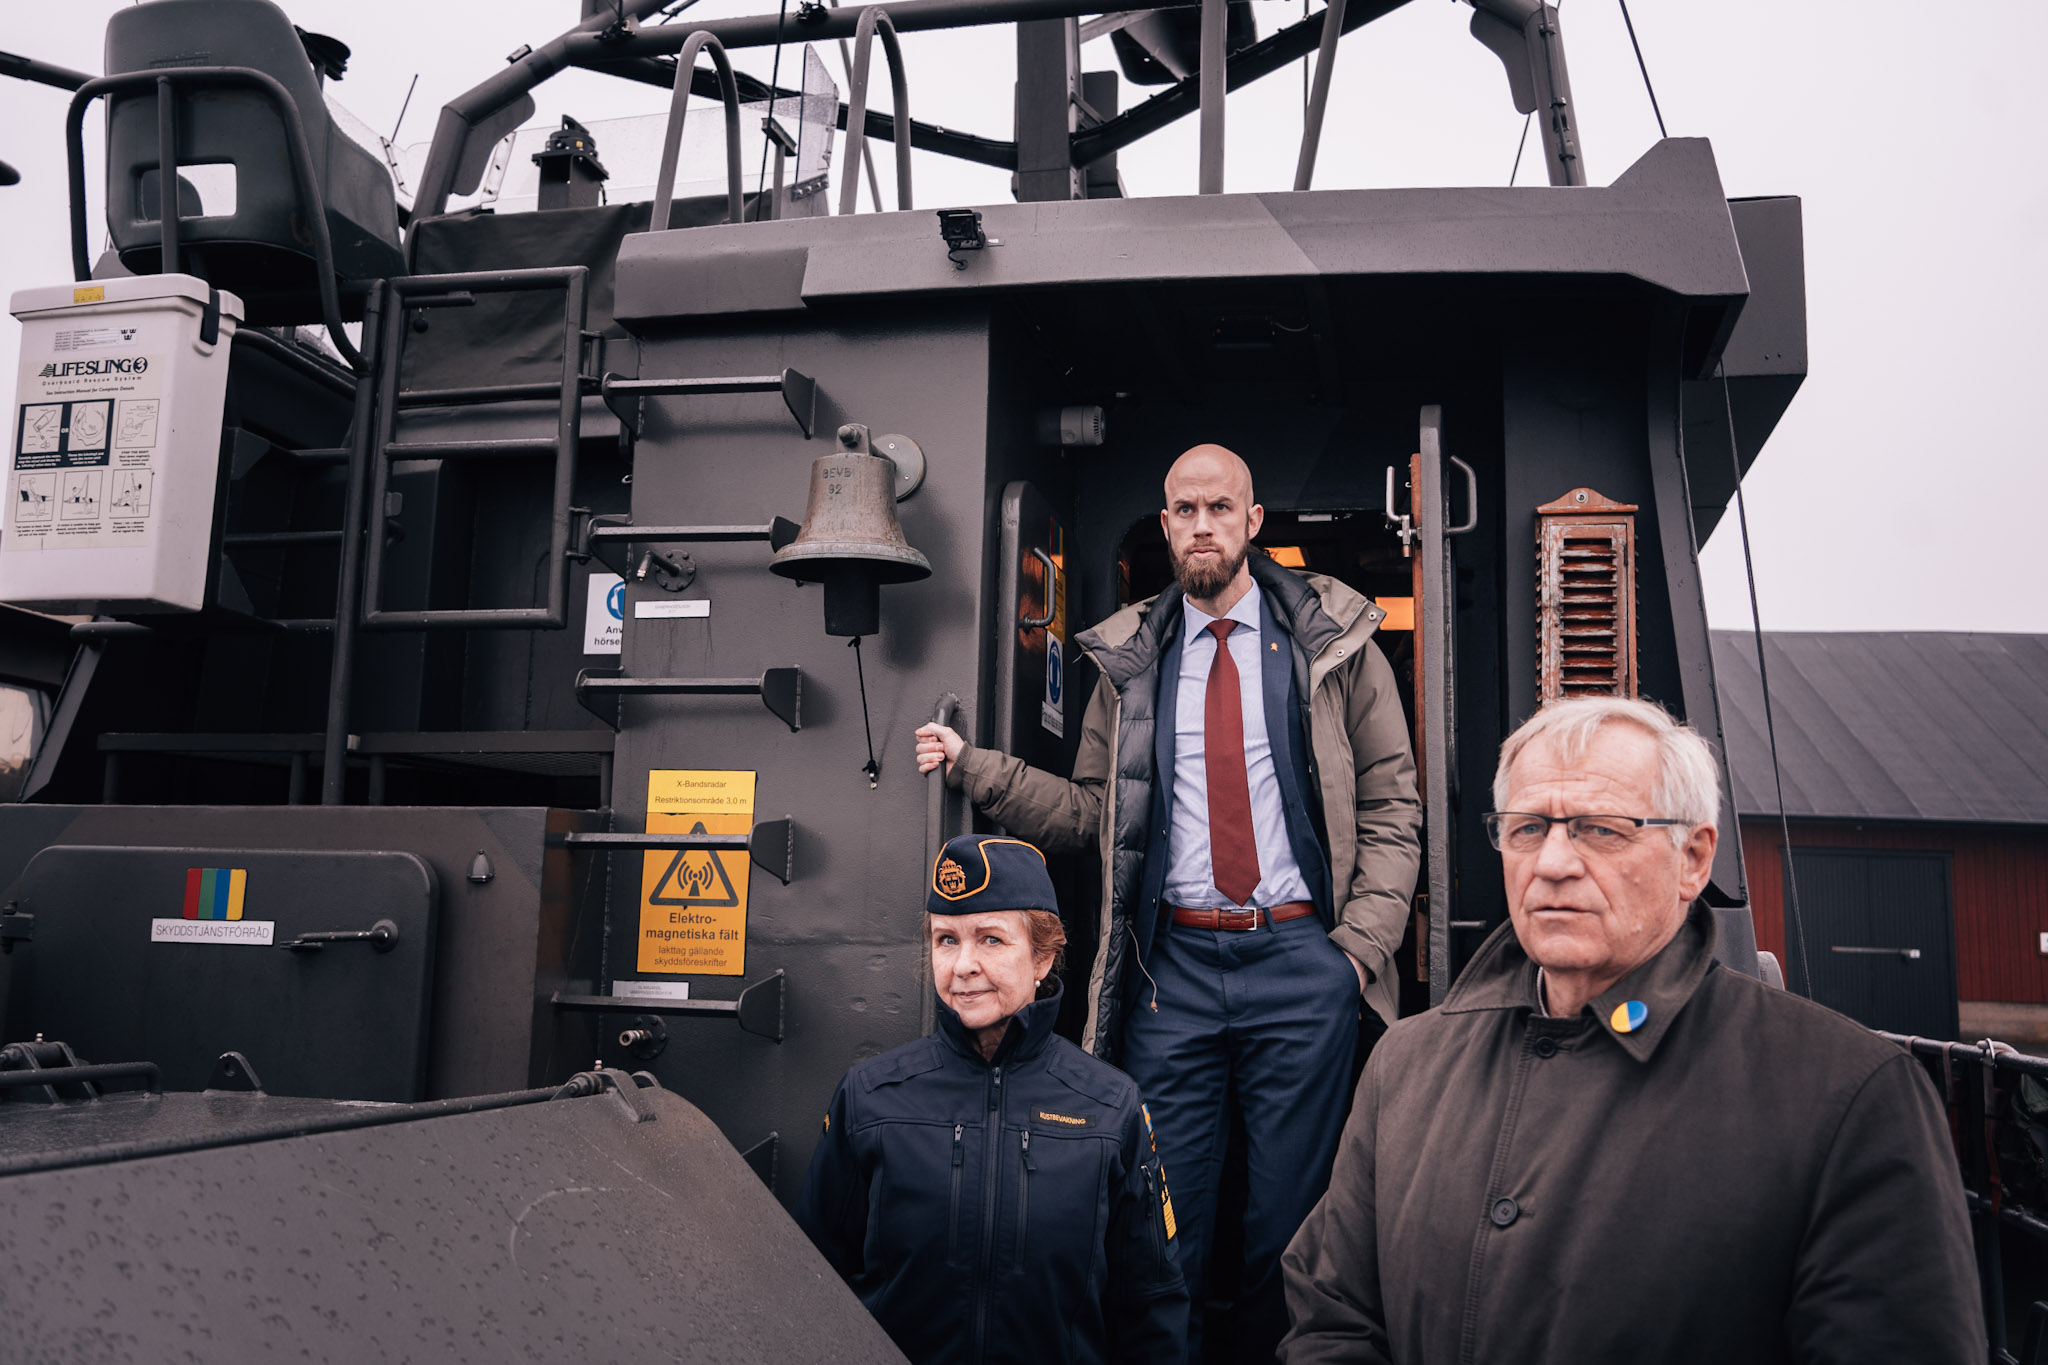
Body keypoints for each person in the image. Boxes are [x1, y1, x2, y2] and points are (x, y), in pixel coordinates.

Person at [1278, 696, 1985, 1364]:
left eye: (1602, 829)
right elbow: (1332, 1314)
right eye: (1528, 828)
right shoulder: (1406, 1063)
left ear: (1694, 858)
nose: (1553, 863)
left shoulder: (1850, 1095)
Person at [915, 444, 1421, 1360]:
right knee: (1160, 1218)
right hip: (1171, 973)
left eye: (1220, 508)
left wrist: (1354, 953)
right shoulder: (1131, 661)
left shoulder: (1337, 643)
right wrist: (974, 767)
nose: (1202, 526)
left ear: (1252, 521)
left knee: (1291, 1226)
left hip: (1303, 964)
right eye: (1184, 510)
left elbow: (1393, 805)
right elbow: (1090, 812)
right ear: (1164, 523)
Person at [795, 833, 1188, 1365]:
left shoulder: (1110, 1107)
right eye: (946, 939)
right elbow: (810, 1281)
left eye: (991, 940)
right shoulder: (870, 1097)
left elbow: (1151, 1305)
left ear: (1043, 957)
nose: (963, 965)